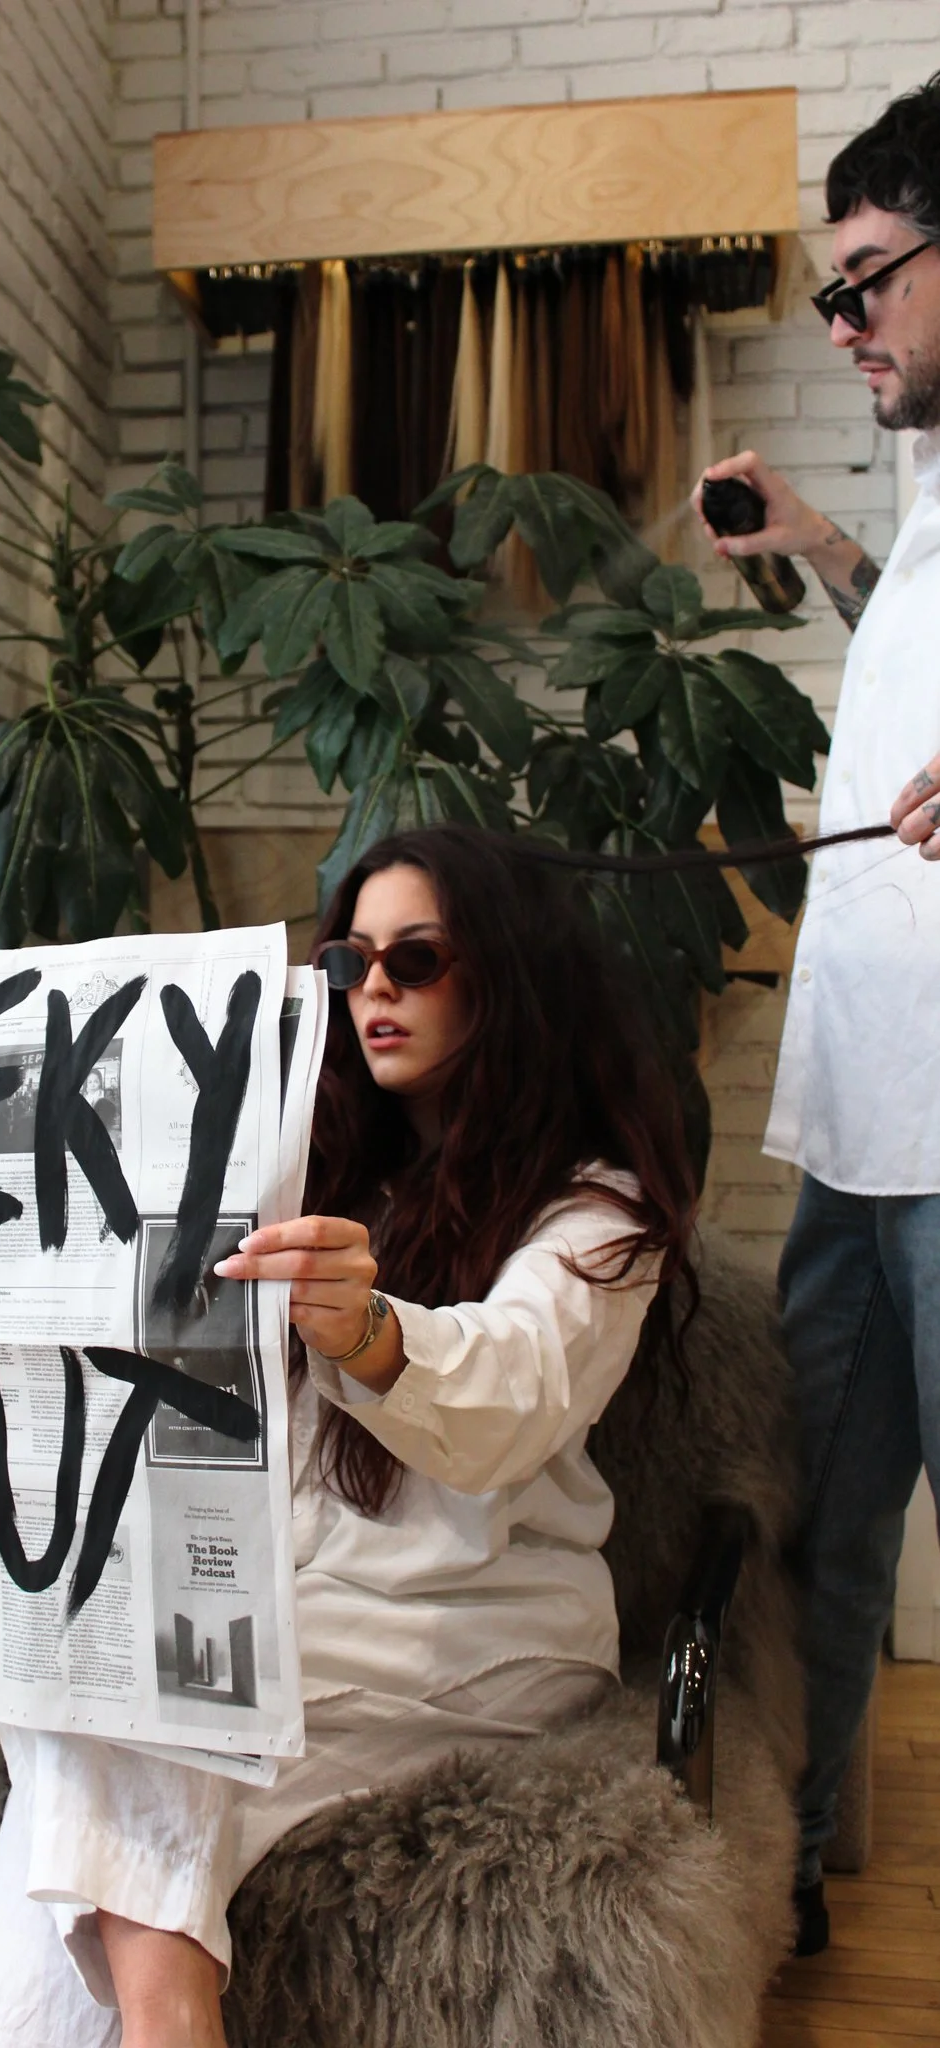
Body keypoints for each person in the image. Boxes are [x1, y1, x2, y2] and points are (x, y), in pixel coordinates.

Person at [0, 824, 697, 2045]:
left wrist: (372, 1330)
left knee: (139, 1703)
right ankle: (166, 2007)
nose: (375, 988)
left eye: (419, 956)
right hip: (290, 1606)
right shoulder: (308, 1162)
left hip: (470, 1626)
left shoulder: (597, 1207)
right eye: (348, 961)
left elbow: (517, 1389)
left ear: (510, 974)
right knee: (81, 1644)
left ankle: (164, 2008)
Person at [692, 73, 940, 1961]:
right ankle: (787, 1878)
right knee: (819, 1539)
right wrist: (822, 546)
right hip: (854, 1125)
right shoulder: (930, 493)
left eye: (866, 284)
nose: (841, 326)